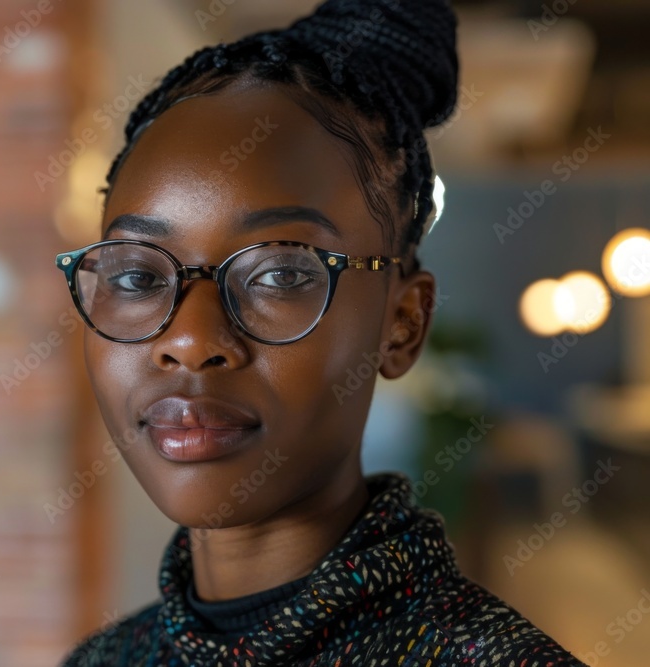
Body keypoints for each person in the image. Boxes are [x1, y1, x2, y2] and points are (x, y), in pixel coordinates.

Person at [54, 0, 585, 664]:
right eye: (136, 277)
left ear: (403, 324)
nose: (189, 339)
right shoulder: (105, 658)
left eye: (277, 274)